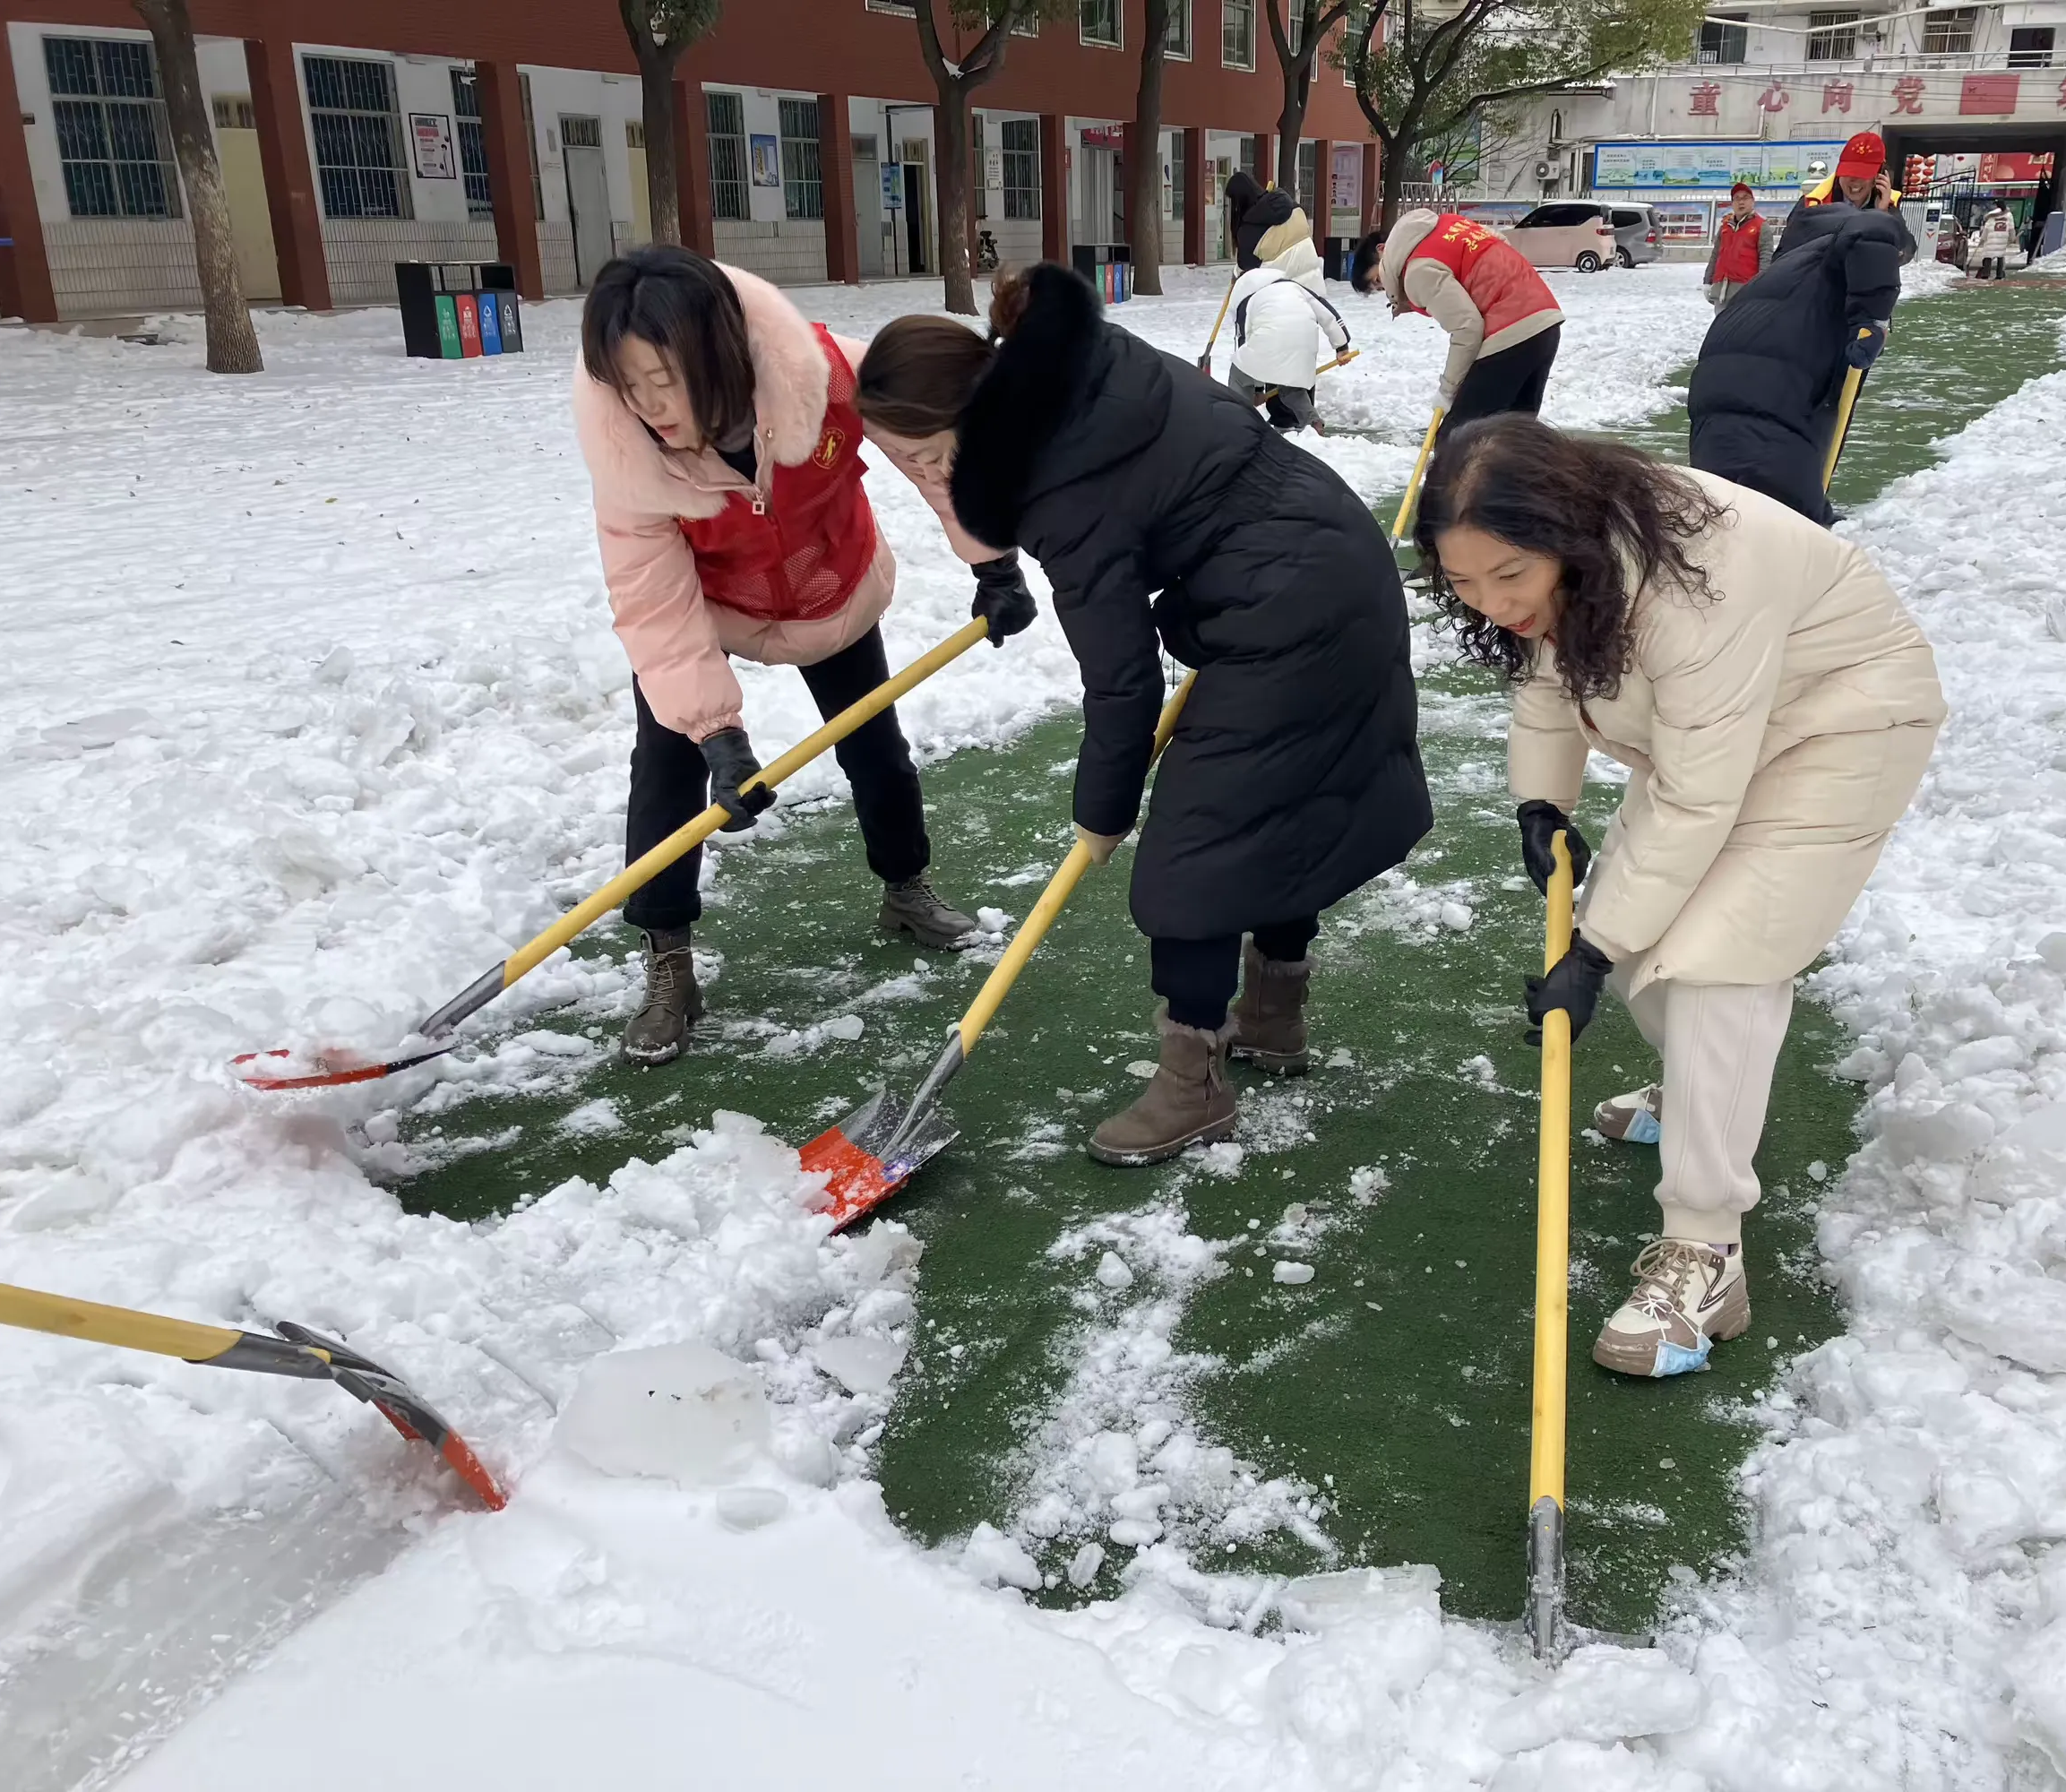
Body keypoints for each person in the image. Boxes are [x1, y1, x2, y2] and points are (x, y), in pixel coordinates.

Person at [856, 263, 1432, 1165]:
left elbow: (1120, 676)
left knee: (1192, 859)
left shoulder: (1055, 481)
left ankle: (1190, 1088)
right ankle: (1272, 1017)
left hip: (1286, 609)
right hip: (1330, 559)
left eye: (927, 455)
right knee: (1286, 812)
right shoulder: (1080, 373)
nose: (929, 476)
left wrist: (1103, 809)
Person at [1415, 417, 1943, 1376]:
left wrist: (1588, 949)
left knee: (1714, 962)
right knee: (1643, 950)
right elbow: (1547, 671)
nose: (1490, 604)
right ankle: (1708, 1085)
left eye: (1507, 576)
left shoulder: (1695, 579)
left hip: (1842, 725)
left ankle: (1707, 1254)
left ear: (1562, 539)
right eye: (1462, 583)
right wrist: (1542, 797)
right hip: (1722, 735)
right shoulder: (1568, 563)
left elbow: (1699, 797)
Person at [574, 246, 1035, 1065]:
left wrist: (991, 560)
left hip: (830, 589)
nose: (651, 407)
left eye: (664, 380)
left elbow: (935, 455)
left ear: (717, 353)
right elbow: (651, 599)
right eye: (630, 385)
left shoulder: (824, 374)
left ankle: (906, 888)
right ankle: (667, 959)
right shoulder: (631, 460)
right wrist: (714, 729)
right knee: (668, 777)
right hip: (711, 610)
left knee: (877, 754)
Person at [1684, 202, 1903, 526]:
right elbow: (1875, 232)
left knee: (1722, 497)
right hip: (1777, 388)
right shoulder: (1841, 243)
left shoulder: (1789, 266)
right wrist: (1873, 316)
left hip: (1719, 384)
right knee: (1781, 509)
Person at [1349, 211, 1564, 430]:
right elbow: (1500, 244)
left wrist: (1447, 391)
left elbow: (1467, 329)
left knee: (1458, 440)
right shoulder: (1447, 223)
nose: (1386, 289)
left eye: (1378, 280)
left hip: (1511, 330)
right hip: (1545, 321)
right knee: (1514, 440)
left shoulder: (1416, 270)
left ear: (1382, 250)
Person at [1226, 210, 1352, 431]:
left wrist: (1256, 391)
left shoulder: (1244, 299)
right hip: (1305, 342)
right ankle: (1313, 421)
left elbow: (1245, 344)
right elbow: (1327, 313)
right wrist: (1341, 346)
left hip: (1271, 340)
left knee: (1239, 376)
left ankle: (1238, 423)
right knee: (1291, 388)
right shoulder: (1293, 286)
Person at [1800, 132, 1916, 264]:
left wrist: (1882, 217)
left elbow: (1905, 251)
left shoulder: (1888, 205)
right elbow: (1786, 253)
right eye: (1849, 173)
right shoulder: (1815, 200)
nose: (1855, 181)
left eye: (1863, 174)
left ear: (1879, 176)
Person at [1702, 183, 1768, 310]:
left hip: (1746, 291)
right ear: (1732, 203)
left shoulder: (1761, 226)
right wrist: (1707, 281)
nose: (1741, 202)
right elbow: (1716, 255)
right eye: (1737, 199)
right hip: (1721, 290)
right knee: (1721, 328)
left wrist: (1761, 285)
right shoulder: (1725, 227)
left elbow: (1765, 257)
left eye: (1745, 198)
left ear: (1753, 202)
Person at [1224, 168, 1304, 271]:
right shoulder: (1289, 207)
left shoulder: (1248, 228)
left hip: (1271, 282)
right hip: (1303, 275)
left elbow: (1247, 266)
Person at [1973, 203, 2015, 280]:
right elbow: (2011, 228)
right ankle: (2000, 274)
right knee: (2000, 256)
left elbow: (1986, 228)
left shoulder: (1991, 215)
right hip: (2002, 238)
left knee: (1987, 256)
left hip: (1991, 239)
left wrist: (1982, 239)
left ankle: (1985, 274)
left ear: (1996, 206)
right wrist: (2012, 238)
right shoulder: (2009, 215)